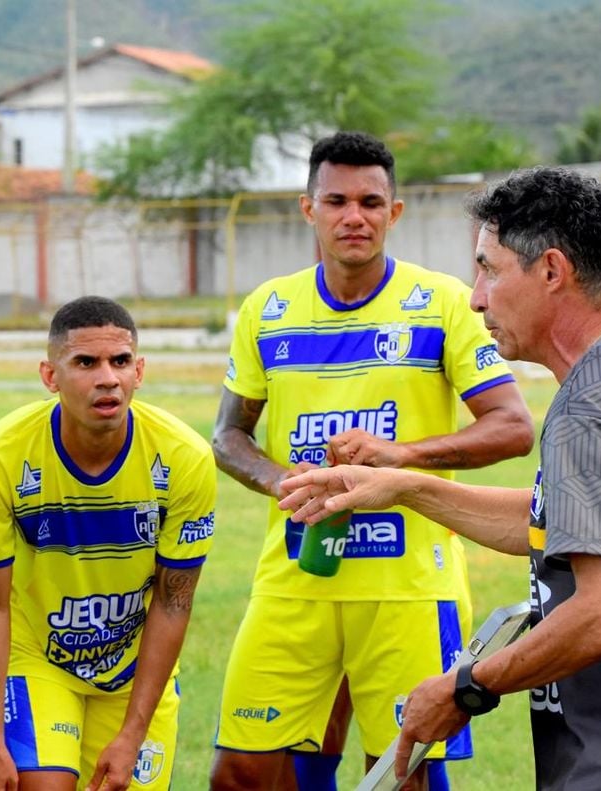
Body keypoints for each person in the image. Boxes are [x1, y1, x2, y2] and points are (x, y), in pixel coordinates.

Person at [279, 166, 601, 788]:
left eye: (490, 269)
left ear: (551, 271)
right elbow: (574, 518)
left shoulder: (595, 401)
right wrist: (404, 487)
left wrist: (467, 688)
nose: (476, 297)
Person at [209, 131, 534, 791]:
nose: (353, 216)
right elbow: (227, 435)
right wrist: (283, 481)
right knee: (241, 773)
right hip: (297, 575)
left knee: (398, 777)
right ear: (309, 210)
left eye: (369, 201)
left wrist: (401, 457)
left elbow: (513, 426)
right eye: (336, 201)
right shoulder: (267, 310)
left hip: (407, 586)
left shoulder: (442, 303)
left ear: (395, 212)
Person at [0, 296, 217, 790]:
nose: (108, 378)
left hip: (134, 667)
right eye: (85, 362)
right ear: (50, 375)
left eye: (120, 362)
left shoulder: (185, 458)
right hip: (39, 659)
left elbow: (173, 602)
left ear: (139, 371)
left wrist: (132, 734)